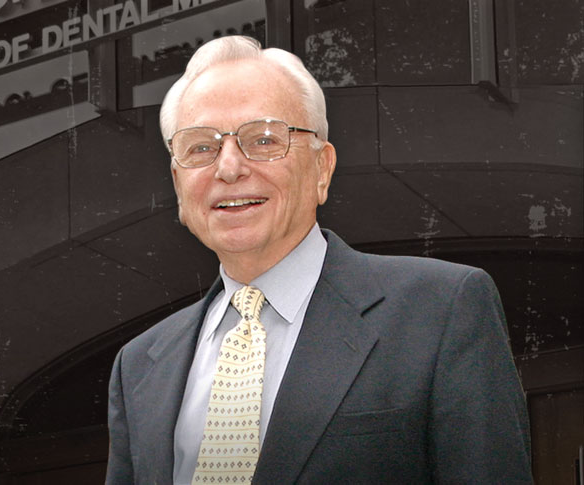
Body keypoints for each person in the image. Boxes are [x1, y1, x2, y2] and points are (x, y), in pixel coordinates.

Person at [106, 36, 532, 484]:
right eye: (200, 148)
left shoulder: (440, 310)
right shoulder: (139, 366)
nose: (228, 168)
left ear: (322, 170)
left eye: (264, 139)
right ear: (177, 183)